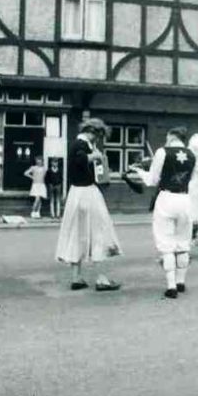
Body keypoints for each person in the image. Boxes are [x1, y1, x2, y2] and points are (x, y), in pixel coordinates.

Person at [55, 118, 122, 291]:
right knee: (99, 232)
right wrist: (96, 157)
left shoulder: (78, 144)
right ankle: (101, 278)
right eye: (99, 136)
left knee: (77, 234)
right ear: (94, 132)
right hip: (88, 192)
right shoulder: (81, 145)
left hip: (75, 193)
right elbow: (80, 160)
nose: (99, 140)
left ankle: (76, 277)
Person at [130, 126, 196, 299]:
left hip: (166, 198)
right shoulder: (191, 154)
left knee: (166, 242)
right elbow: (192, 178)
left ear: (171, 136)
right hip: (185, 199)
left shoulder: (162, 152)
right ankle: (181, 282)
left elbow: (152, 180)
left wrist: (139, 171)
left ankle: (171, 286)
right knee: (183, 242)